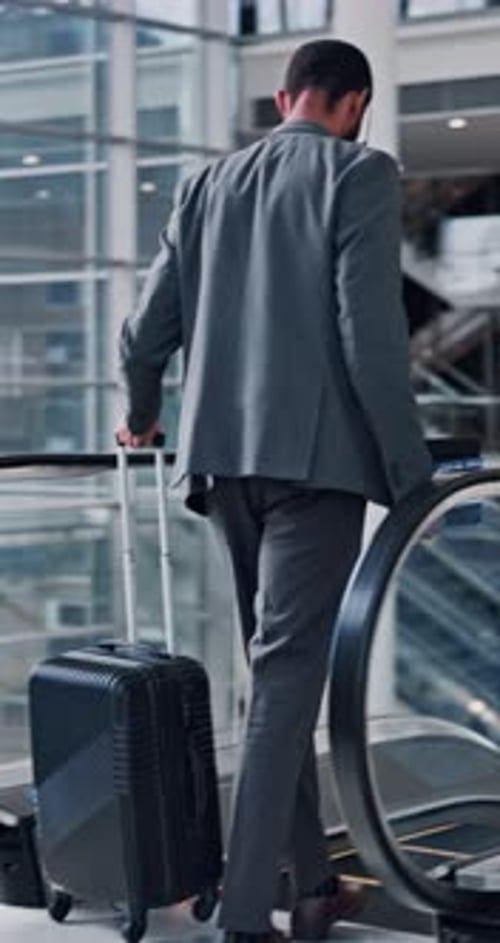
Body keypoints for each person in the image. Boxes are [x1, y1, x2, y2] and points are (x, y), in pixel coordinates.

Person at [117, 39, 432, 943]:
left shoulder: (204, 186)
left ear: (287, 96)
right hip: (316, 470)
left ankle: (315, 884)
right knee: (287, 679)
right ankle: (247, 917)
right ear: (354, 102)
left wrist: (141, 417)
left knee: (276, 680)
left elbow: (144, 333)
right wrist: (410, 478)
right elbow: (370, 336)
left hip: (221, 466)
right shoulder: (360, 173)